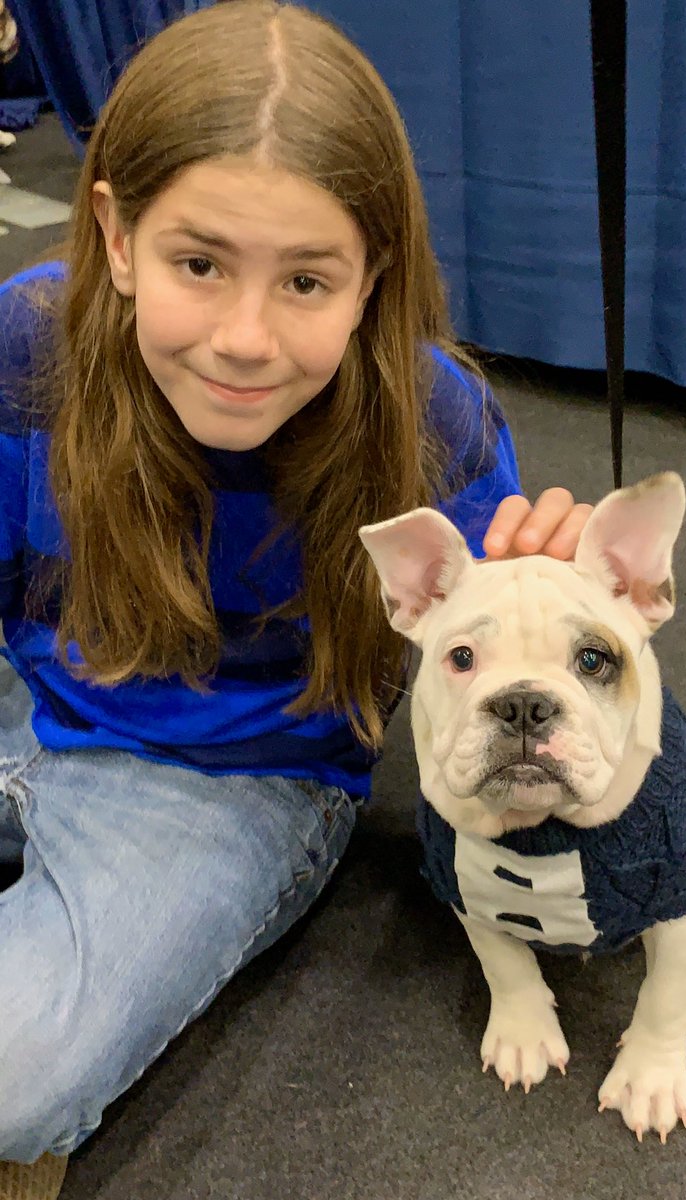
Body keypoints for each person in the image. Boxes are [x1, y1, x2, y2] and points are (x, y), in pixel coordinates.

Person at [0, 2, 594, 1195]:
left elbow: (501, 695)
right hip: (32, 696)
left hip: (227, 777)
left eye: (308, 281)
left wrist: (551, 603)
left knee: (21, 1072)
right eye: (198, 264)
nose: (245, 339)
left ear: (372, 278)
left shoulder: (433, 427)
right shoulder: (27, 342)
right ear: (117, 237)